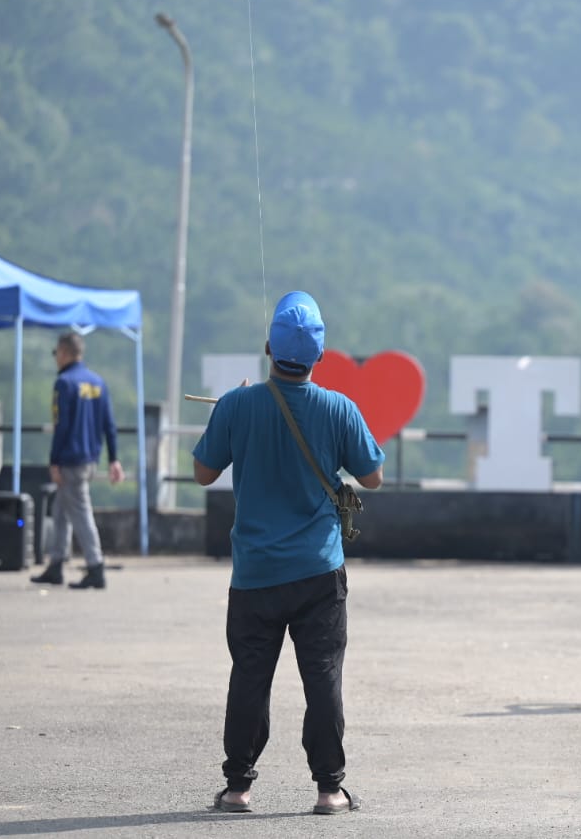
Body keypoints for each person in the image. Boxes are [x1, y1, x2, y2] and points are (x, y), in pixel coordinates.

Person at [192, 291, 385, 816]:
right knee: (322, 678)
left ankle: (238, 788)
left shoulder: (237, 405)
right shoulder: (338, 408)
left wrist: (234, 409)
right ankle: (328, 789)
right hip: (319, 573)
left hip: (254, 573)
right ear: (320, 356)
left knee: (250, 677)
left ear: (268, 349)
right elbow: (373, 476)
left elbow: (203, 472)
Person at [30, 331, 124, 590]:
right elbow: (109, 425)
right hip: (90, 460)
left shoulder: (64, 383)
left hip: (70, 460)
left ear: (63, 352)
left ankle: (96, 567)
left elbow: (61, 426)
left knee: (80, 515)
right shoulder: (98, 382)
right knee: (61, 512)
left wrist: (54, 461)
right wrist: (114, 459)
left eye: (55, 354)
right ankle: (56, 564)